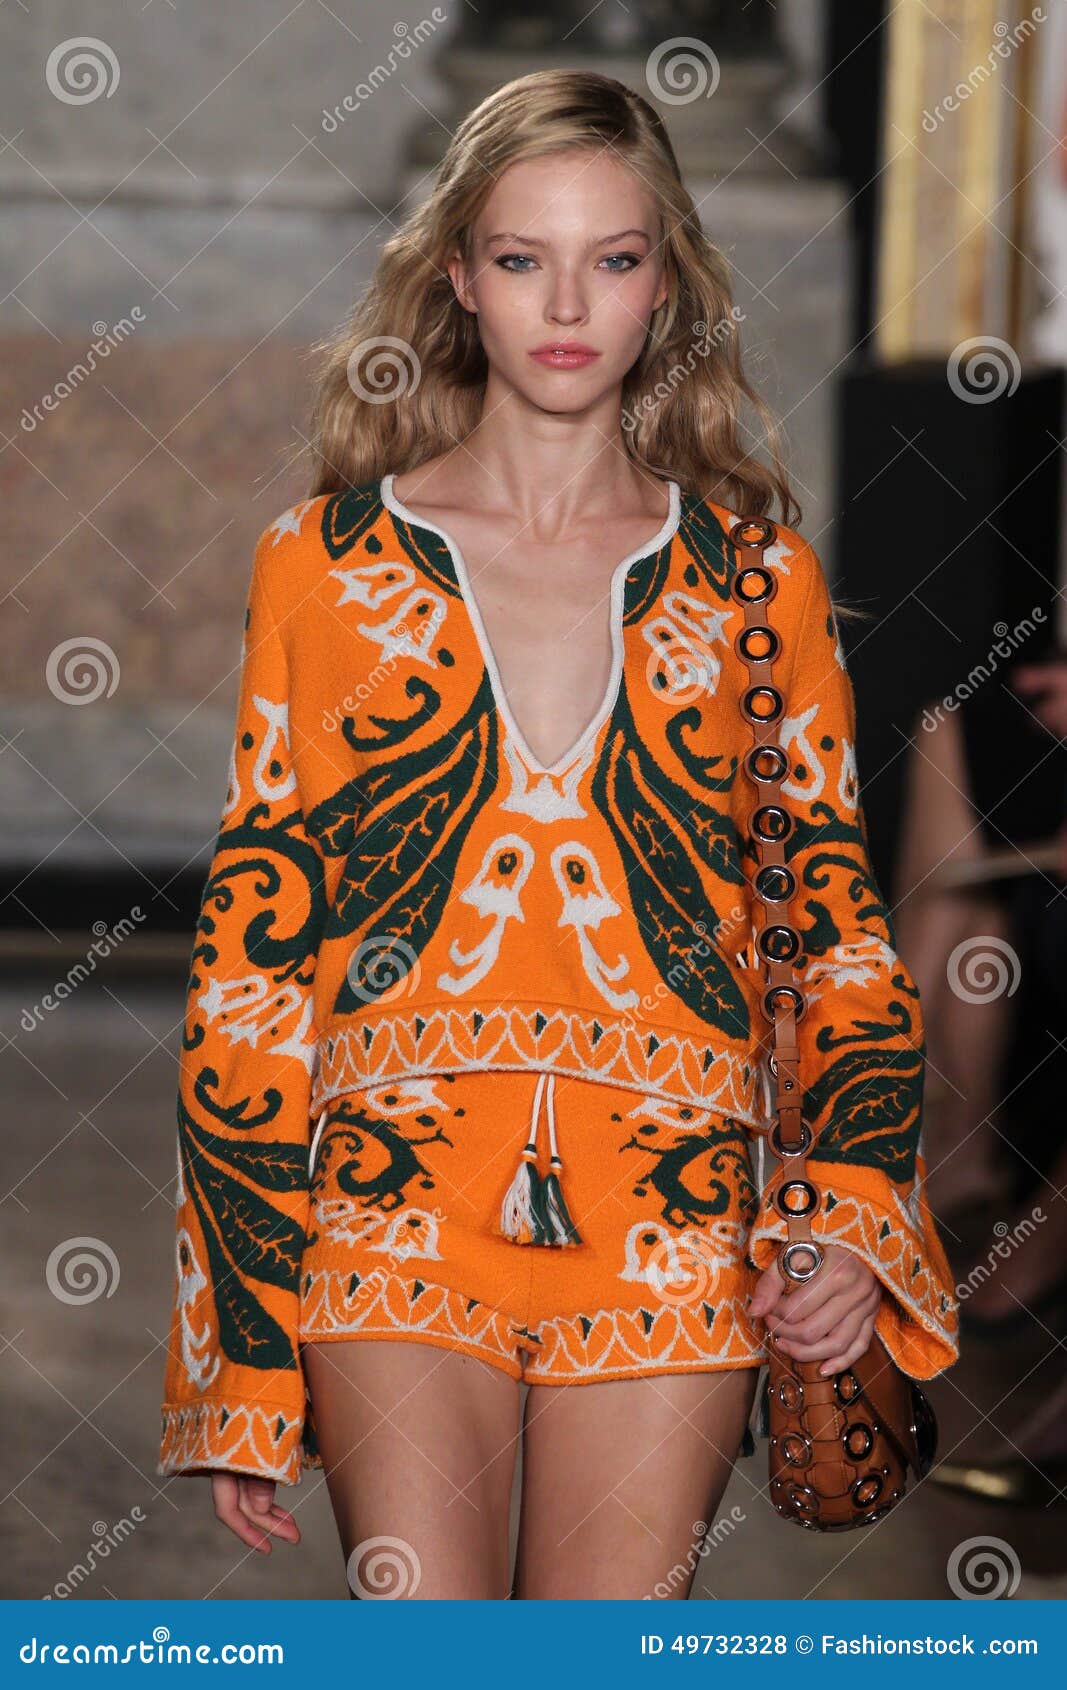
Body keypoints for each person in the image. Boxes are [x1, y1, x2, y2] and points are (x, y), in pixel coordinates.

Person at [156, 69, 959, 1599]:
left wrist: (850, 1211)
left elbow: (835, 930)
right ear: (459, 278)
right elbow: (255, 962)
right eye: (523, 258)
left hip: (675, 1210)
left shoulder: (753, 583)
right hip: (388, 1206)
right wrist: (240, 1356)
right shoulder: (322, 569)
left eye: (615, 256)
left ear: (669, 282)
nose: (568, 302)